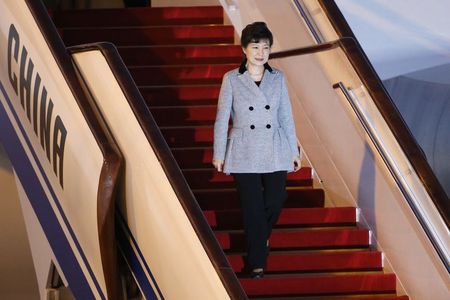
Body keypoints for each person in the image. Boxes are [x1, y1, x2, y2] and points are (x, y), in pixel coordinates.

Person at [212, 22, 301, 278]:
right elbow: (222, 118)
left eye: (266, 47)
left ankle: (260, 238)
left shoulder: (278, 78)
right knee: (252, 207)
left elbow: (286, 115)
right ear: (244, 49)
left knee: (276, 199)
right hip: (244, 149)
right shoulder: (231, 79)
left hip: (275, 145)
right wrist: (219, 153)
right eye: (255, 47)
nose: (261, 52)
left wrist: (293, 149)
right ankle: (256, 263)